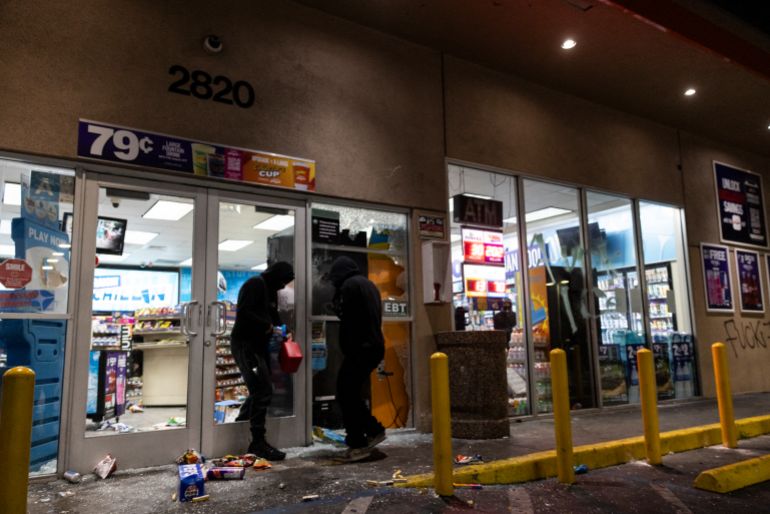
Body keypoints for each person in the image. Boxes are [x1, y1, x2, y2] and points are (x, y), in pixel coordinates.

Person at [231, 261, 294, 461]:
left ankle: (240, 426)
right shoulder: (255, 284)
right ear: (275, 275)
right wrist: (267, 326)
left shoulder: (270, 290)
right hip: (246, 345)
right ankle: (257, 442)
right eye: (283, 281)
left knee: (260, 390)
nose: (283, 286)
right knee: (262, 389)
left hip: (259, 347)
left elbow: (273, 315)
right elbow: (244, 312)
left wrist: (284, 330)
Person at [327, 256, 387, 461]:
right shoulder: (368, 284)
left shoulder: (349, 286)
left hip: (361, 347)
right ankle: (372, 430)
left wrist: (337, 307)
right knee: (350, 392)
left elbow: (350, 317)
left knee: (346, 393)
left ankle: (358, 443)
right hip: (373, 346)